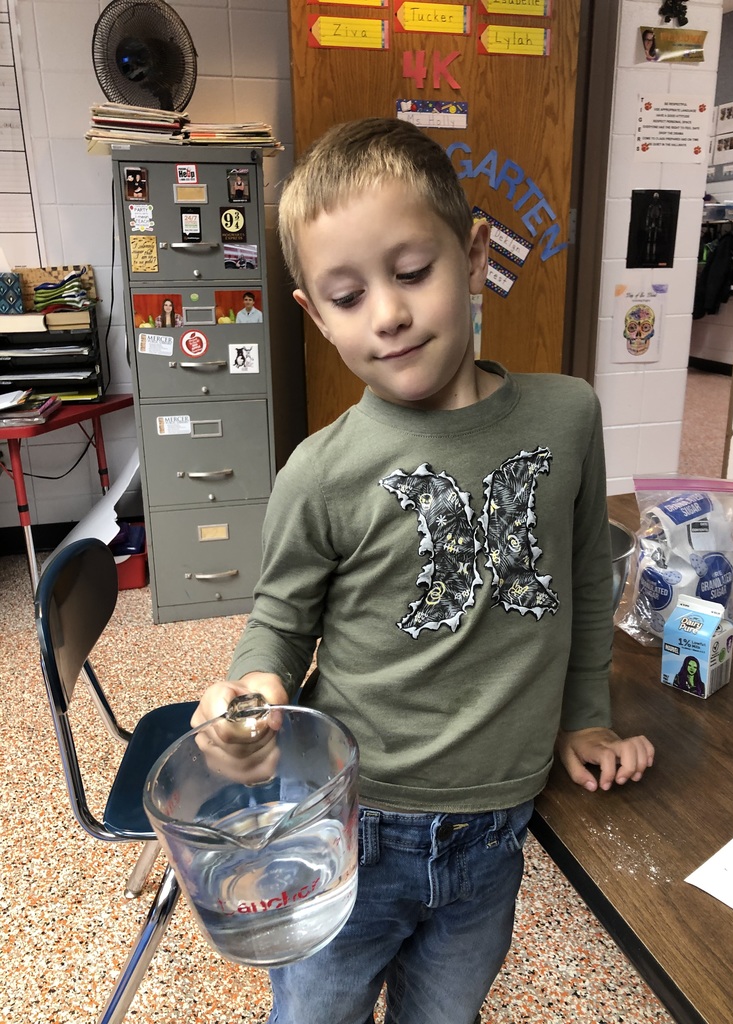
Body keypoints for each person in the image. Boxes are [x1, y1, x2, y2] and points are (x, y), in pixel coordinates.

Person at [192, 117, 654, 1024]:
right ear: (313, 315)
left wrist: (587, 719)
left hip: (497, 832)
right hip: (350, 825)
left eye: (412, 273)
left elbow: (589, 580)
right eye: (348, 295)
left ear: (475, 254)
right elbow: (279, 622)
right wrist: (250, 689)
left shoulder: (568, 418)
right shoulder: (320, 472)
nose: (389, 314)